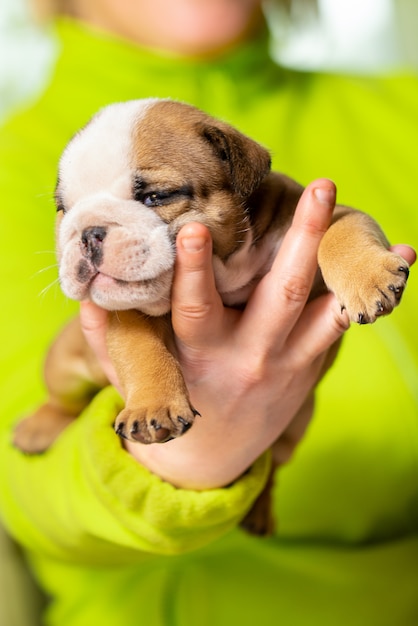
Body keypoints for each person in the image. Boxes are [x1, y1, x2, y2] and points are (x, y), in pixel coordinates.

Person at [0, 1, 416, 624]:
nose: (90, 232)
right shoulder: (14, 157)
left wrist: (357, 264)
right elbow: (23, 496)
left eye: (155, 195)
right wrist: (186, 459)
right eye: (69, 211)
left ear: (238, 172)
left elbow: (341, 226)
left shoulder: (398, 109)